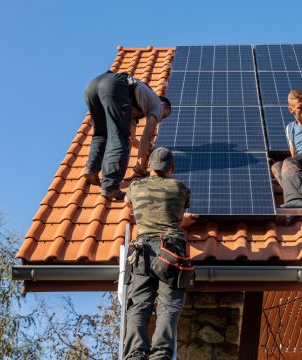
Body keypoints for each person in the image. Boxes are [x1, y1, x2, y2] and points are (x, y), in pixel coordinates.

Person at [123, 147, 197, 360]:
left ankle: (135, 354)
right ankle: (160, 355)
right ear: (171, 168)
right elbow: (179, 213)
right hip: (171, 251)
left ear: (149, 167)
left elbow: (127, 204)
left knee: (139, 304)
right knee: (168, 305)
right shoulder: (180, 188)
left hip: (143, 251)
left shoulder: (135, 188)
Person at [83, 71, 172, 200]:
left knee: (101, 133)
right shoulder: (158, 104)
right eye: (164, 115)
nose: (160, 119)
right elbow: (145, 137)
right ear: (164, 105)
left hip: (94, 85)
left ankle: (91, 169)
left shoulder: (135, 104)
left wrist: (149, 148)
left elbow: (133, 138)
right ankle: (110, 187)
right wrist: (140, 168)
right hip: (115, 86)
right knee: (119, 139)